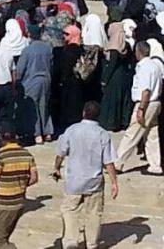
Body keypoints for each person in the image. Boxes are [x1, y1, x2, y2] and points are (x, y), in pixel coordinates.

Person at [54, 101, 118, 249]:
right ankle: (92, 243)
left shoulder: (71, 130)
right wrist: (114, 182)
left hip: (74, 181)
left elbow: (60, 152)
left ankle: (71, 241)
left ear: (83, 112)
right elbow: (108, 161)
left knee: (69, 210)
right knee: (94, 213)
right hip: (94, 181)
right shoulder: (103, 134)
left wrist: (56, 168)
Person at [114, 40, 163, 175]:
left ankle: (117, 163)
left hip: (145, 103)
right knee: (152, 135)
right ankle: (155, 166)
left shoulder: (144, 67)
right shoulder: (155, 65)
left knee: (132, 133)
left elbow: (145, 90)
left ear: (138, 52)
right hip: (155, 102)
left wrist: (141, 108)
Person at [16, 25, 54, 144]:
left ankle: (37, 134)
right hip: (46, 79)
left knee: (33, 108)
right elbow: (51, 65)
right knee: (44, 106)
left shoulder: (27, 50)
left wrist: (17, 81)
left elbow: (20, 69)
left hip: (31, 81)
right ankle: (48, 132)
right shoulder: (47, 48)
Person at [99, 22, 134, 132]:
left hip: (114, 77)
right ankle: (122, 122)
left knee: (112, 100)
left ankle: (111, 123)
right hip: (123, 76)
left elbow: (112, 64)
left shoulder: (114, 46)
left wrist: (104, 79)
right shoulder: (125, 45)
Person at [57, 25, 85, 135]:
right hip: (77, 83)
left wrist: (61, 80)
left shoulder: (71, 50)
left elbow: (66, 67)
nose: (64, 36)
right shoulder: (79, 48)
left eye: (67, 34)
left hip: (70, 83)